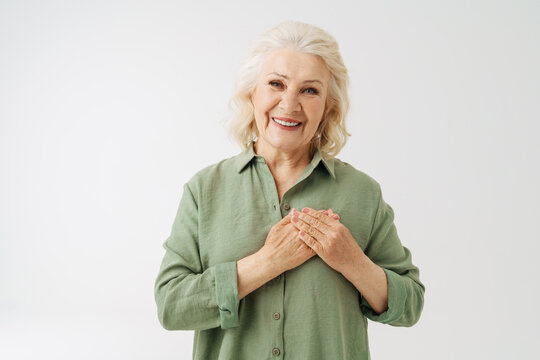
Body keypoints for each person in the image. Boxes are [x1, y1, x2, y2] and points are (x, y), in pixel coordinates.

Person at [154, 20, 425, 359]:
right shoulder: (204, 190)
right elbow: (171, 306)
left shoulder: (363, 193)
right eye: (276, 84)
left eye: (309, 90)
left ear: (328, 106)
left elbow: (411, 305)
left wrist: (353, 261)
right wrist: (265, 263)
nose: (289, 104)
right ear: (253, 93)